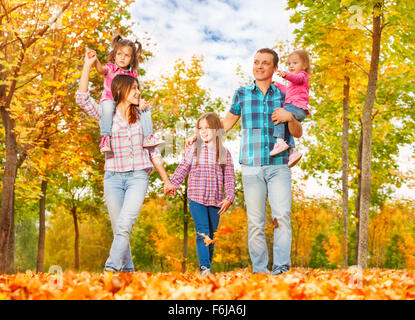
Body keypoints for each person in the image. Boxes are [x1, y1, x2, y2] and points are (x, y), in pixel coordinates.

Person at [187, 48, 302, 275]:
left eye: (265, 63)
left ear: (275, 68)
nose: (259, 66)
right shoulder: (241, 94)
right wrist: (199, 134)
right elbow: (224, 125)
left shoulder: (285, 93)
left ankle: (281, 269)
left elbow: (297, 132)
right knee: (255, 222)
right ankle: (260, 271)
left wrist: (290, 117)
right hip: (250, 166)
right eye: (256, 62)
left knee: (281, 218)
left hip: (279, 164)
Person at [76, 50, 175, 272]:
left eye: (138, 88)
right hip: (112, 177)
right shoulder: (106, 115)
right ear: (121, 89)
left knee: (124, 225)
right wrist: (87, 65)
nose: (139, 92)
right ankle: (127, 270)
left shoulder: (143, 116)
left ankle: (110, 269)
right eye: (135, 88)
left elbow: (153, 152)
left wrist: (166, 181)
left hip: (138, 177)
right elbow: (82, 99)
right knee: (119, 228)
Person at [166, 113, 235, 275]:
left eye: (208, 128)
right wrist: (173, 184)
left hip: (216, 200)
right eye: (200, 128)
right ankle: (205, 268)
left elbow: (230, 178)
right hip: (196, 197)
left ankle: (207, 267)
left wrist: (229, 197)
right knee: (202, 232)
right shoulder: (194, 149)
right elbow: (183, 167)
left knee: (211, 235)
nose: (203, 131)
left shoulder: (224, 153)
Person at [87, 35, 162, 153]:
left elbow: (136, 89)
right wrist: (95, 59)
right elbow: (100, 69)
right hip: (110, 99)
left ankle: (148, 137)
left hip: (127, 101)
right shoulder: (110, 68)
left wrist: (140, 102)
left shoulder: (132, 74)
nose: (122, 58)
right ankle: (106, 138)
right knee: (107, 109)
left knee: (146, 108)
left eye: (127, 55)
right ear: (114, 55)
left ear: (132, 59)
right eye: (119, 54)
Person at [269, 49, 311, 168]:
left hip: (296, 106)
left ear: (305, 65)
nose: (291, 65)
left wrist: (286, 75)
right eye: (289, 64)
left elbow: (296, 79)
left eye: (295, 63)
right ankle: (292, 152)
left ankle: (279, 141)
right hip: (296, 107)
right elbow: (288, 91)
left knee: (278, 115)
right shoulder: (294, 84)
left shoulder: (302, 75)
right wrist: (278, 85)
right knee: (287, 127)